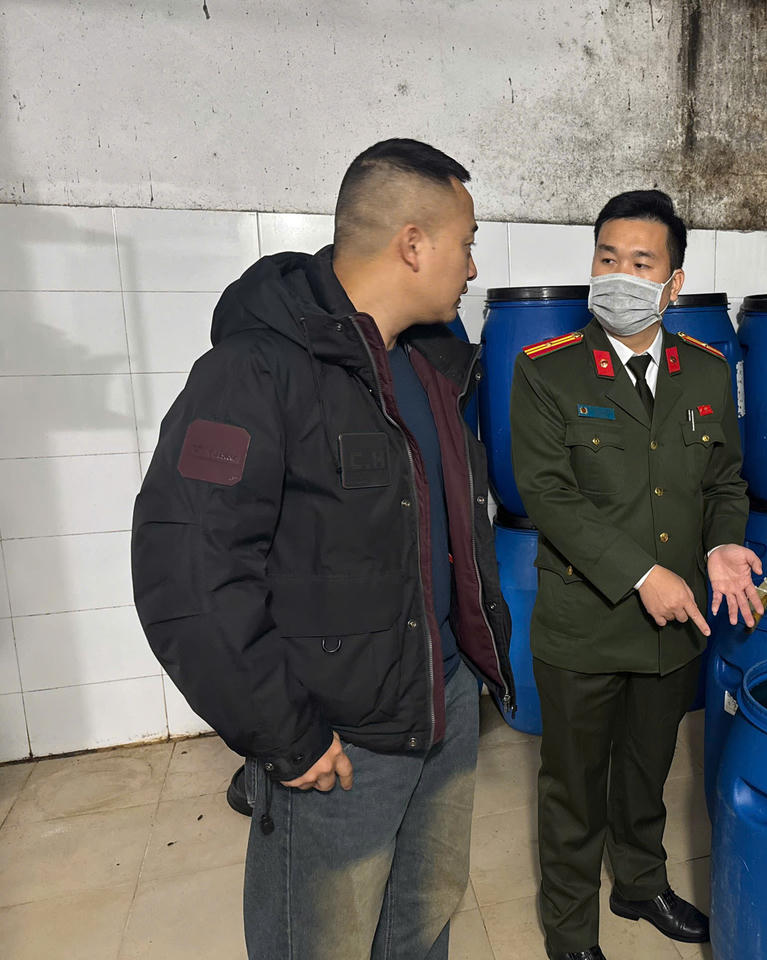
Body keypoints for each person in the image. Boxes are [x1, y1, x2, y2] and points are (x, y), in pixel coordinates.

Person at [131, 138, 514, 960]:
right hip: (340, 743)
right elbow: (188, 575)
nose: (473, 266)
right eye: (467, 241)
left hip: (443, 710)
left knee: (422, 926)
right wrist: (286, 734)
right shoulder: (255, 372)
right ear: (413, 243)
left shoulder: (434, 366)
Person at [509, 189, 764, 960]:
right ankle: (569, 932)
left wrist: (721, 545)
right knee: (573, 789)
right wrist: (642, 572)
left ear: (674, 283)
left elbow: (725, 482)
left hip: (673, 629)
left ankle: (641, 884)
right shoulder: (547, 371)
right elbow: (547, 496)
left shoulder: (707, 371)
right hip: (584, 627)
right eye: (607, 258)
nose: (619, 275)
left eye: (641, 263)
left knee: (647, 773)